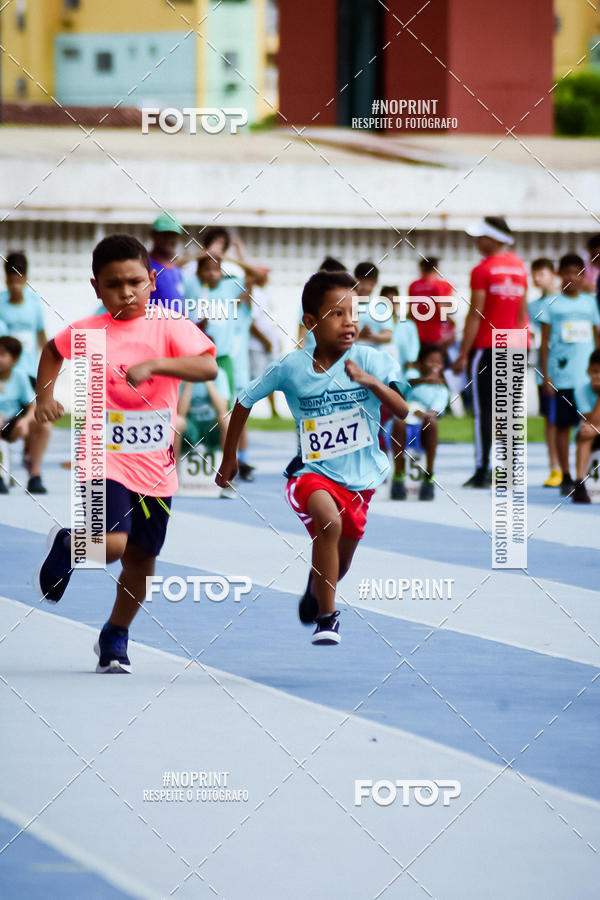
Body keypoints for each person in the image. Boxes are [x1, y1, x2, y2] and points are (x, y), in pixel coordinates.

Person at [33, 235, 217, 673]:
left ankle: (115, 633)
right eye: (114, 284)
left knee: (142, 562)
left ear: (153, 280)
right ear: (96, 287)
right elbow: (50, 352)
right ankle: (71, 543)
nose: (126, 292)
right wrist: (44, 396)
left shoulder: (169, 326)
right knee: (112, 545)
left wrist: (155, 365)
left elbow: (207, 366)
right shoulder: (88, 331)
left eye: (135, 281)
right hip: (103, 458)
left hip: (155, 468)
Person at [216, 269, 408, 645]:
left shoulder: (371, 360)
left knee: (343, 557)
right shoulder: (292, 367)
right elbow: (243, 401)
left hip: (361, 481)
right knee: (329, 524)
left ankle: (316, 587)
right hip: (311, 473)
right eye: (337, 313)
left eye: (354, 312)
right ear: (311, 322)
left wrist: (368, 382)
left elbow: (401, 409)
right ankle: (327, 617)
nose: (349, 322)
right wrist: (230, 458)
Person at [454, 217, 528, 488]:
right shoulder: (520, 269)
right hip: (516, 344)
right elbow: (522, 313)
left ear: (494, 239)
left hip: (488, 346)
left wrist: (463, 353)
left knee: (485, 410)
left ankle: (483, 470)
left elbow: (476, 314)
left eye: (480, 236)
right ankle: (509, 471)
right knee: (508, 409)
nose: (476, 241)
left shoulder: (482, 270)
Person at [183, 253, 256, 480]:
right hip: (196, 355)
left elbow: (257, 276)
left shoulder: (230, 288)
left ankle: (239, 459)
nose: (211, 273)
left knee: (234, 408)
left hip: (222, 357)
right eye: (206, 269)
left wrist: (226, 256)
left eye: (216, 268)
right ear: (198, 273)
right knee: (196, 406)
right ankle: (188, 456)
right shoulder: (192, 288)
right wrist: (198, 254)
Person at [539, 253, 600, 496]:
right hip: (562, 376)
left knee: (590, 426)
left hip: (588, 380)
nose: (571, 278)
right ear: (559, 275)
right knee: (562, 427)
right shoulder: (551, 304)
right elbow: (544, 344)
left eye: (576, 273)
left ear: (583, 276)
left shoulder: (589, 303)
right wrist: (546, 376)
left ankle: (583, 477)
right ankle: (565, 474)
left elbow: (597, 338)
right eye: (565, 273)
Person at [0, 251, 51, 492]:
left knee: (36, 419)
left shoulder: (34, 303)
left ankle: (34, 472)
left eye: (20, 282)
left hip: (29, 373)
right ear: (6, 280)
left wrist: (48, 367)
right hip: (5, 374)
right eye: (11, 283)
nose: (16, 288)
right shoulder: (1, 303)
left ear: (26, 279)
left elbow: (41, 336)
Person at [390, 345, 450, 501]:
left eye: (439, 362)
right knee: (398, 422)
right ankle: (398, 476)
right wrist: (425, 380)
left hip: (423, 428)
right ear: (421, 363)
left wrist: (423, 414)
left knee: (432, 422)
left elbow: (435, 411)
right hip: (405, 424)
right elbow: (402, 384)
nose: (435, 365)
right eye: (431, 361)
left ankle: (428, 475)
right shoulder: (412, 374)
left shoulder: (442, 389)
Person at [0, 336, 51, 495]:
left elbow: (32, 405)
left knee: (43, 425)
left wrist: (25, 421)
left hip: (12, 422)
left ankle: (35, 475)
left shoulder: (20, 376)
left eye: (2, 354)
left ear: (14, 359)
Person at [528, 258, 561, 486]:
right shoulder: (532, 307)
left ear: (553, 274)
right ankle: (555, 468)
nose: (537, 278)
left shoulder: (567, 300)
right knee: (551, 419)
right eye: (534, 274)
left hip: (574, 370)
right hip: (545, 371)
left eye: (541, 273)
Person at [298, 257, 347, 352]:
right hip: (312, 357)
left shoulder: (343, 304)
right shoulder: (310, 301)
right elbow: (301, 335)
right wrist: (301, 357)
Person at [408, 257, 454, 355]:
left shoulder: (414, 286)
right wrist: (451, 327)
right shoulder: (443, 285)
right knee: (438, 365)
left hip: (417, 335)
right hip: (437, 336)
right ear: (437, 268)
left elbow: (410, 312)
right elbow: (443, 310)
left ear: (421, 268)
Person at [572, 349, 600, 504]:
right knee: (584, 435)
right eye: (595, 371)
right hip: (590, 431)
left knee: (588, 431)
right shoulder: (581, 390)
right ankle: (579, 483)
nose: (598, 376)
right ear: (588, 371)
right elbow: (589, 419)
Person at [148, 212, 186, 309]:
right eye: (165, 235)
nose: (169, 239)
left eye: (173, 235)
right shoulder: (145, 266)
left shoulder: (176, 271)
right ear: (153, 235)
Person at [355, 262, 392, 349]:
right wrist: (359, 337)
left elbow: (388, 336)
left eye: (371, 284)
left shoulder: (381, 306)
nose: (366, 288)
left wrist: (370, 336)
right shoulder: (345, 304)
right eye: (362, 283)